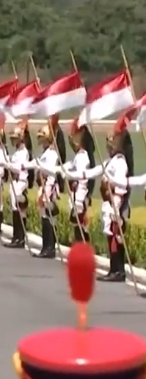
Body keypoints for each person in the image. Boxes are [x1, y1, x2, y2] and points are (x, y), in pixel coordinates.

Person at [80, 116, 134, 282]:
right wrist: (77, 174)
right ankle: (114, 268)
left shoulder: (120, 163)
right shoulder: (109, 162)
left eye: (110, 144)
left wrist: (115, 201)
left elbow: (121, 186)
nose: (108, 147)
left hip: (116, 202)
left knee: (117, 236)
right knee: (110, 235)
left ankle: (118, 270)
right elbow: (95, 171)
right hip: (109, 202)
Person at [64, 121, 95, 244]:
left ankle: (83, 252)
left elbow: (79, 176)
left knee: (81, 225)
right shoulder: (78, 156)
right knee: (77, 225)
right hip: (76, 194)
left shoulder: (83, 156)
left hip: (80, 194)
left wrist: (67, 174)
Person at [34, 124, 62, 259]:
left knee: (49, 218)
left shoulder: (52, 154)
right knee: (44, 217)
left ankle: (50, 247)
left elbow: (51, 174)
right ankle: (46, 246)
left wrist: (47, 193)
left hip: (48, 188)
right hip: (43, 186)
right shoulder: (45, 153)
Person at [4, 121, 33, 249]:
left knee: (19, 210)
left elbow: (18, 168)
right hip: (14, 182)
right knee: (14, 209)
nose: (13, 140)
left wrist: (7, 164)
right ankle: (16, 236)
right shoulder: (16, 152)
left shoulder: (23, 152)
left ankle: (20, 238)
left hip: (20, 182)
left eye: (15, 138)